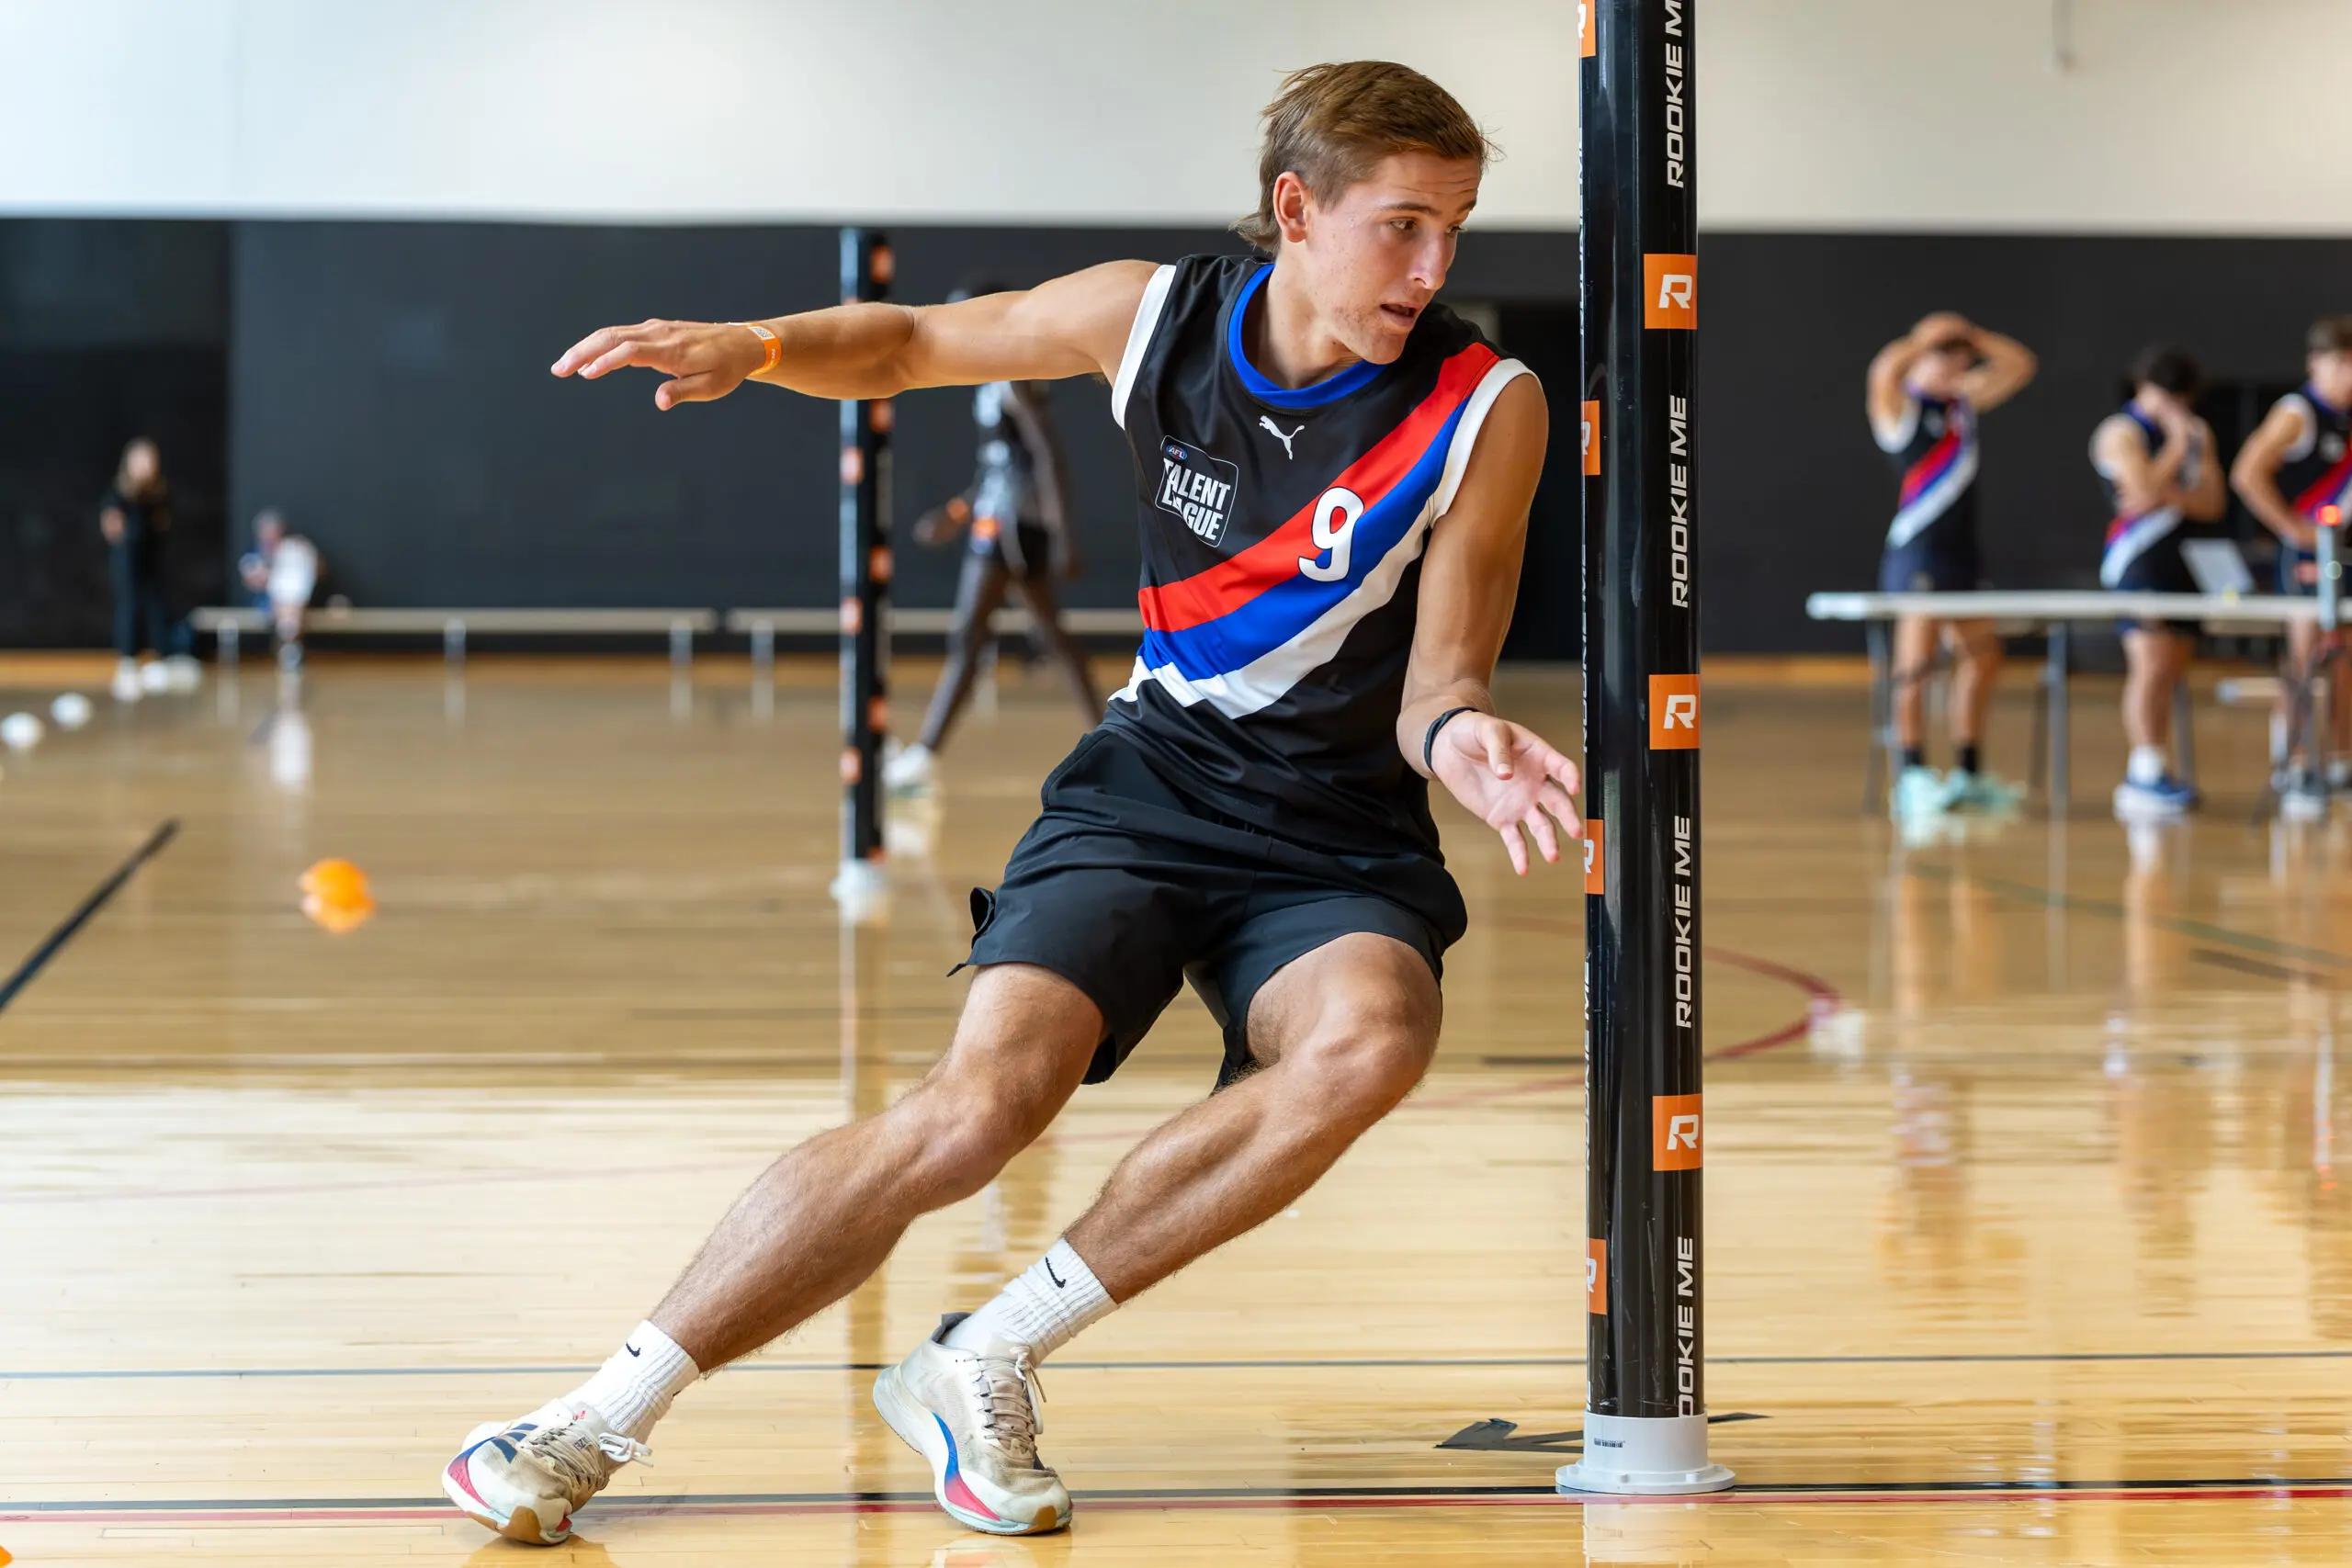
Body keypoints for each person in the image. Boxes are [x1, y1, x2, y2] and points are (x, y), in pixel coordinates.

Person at [446, 60, 1574, 1547]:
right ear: (1295, 212)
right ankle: (593, 1413)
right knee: (979, 1107)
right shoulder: (1154, 316)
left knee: (1373, 1039)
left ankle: (983, 1354)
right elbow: (912, 342)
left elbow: (1440, 678)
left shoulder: (1485, 404)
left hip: (1337, 827)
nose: (1434, 270)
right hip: (1152, 785)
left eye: (1458, 231)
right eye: (1404, 227)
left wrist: (1471, 739)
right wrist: (760, 343)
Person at [886, 309, 1100, 792]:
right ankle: (1112, 736)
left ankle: (924, 757)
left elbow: (1048, 456)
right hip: (996, 519)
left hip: (1013, 526)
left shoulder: (1012, 377)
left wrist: (1065, 535)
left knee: (974, 635)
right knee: (1039, 636)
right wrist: (957, 512)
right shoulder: (988, 382)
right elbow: (998, 466)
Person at [1864, 311, 2039, 822]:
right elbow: (1881, 371)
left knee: (1983, 657)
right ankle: (1912, 774)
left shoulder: (1963, 404)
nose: (1956, 362)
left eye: (1961, 355)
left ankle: (1968, 770)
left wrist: (1975, 334)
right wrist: (1924, 338)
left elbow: (2020, 365)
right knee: (1914, 665)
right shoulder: (1902, 408)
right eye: (1946, 354)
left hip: (1963, 554)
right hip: (1919, 550)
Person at [2092, 346, 2226, 820]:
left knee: (2171, 668)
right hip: (2137, 562)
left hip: (2182, 562)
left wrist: (2163, 490)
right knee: (2148, 663)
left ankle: (2159, 766)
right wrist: (2173, 445)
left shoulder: (2199, 432)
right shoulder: (2120, 431)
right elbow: (2140, 494)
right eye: (2163, 396)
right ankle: (2142, 771)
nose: (2172, 406)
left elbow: (2212, 503)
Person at [2230, 315, 2352, 818]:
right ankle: (2295, 765)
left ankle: (2342, 761)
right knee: (2305, 655)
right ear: (2317, 364)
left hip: (2342, 551)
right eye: (2342, 364)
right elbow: (2247, 473)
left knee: (2344, 660)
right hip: (2306, 553)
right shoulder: (2298, 412)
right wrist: (2291, 527)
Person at [96, 438, 177, 702]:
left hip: (151, 560)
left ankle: (157, 658)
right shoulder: (119, 493)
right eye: (141, 459)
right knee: (130, 606)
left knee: (156, 607)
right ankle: (128, 661)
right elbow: (111, 524)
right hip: (128, 560)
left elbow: (164, 524)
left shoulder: (158, 494)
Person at [237, 509, 322, 670]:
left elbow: (312, 574)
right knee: (286, 602)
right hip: (263, 605)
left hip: (293, 603)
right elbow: (253, 582)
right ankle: (289, 643)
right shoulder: (252, 555)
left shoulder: (293, 549)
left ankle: (289, 642)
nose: (271, 536)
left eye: (274, 531)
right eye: (267, 532)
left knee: (291, 600)